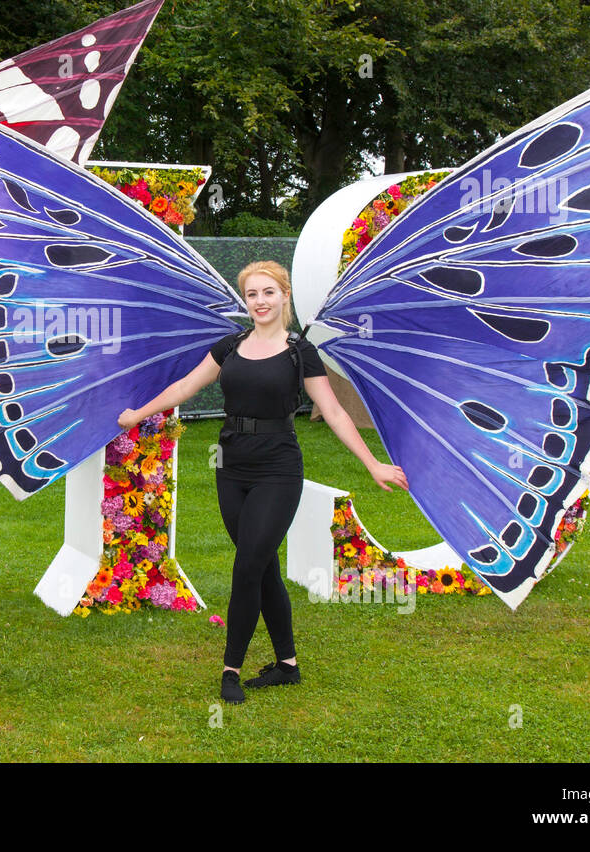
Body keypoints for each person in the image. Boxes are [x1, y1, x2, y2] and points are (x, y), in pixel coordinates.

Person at [118, 261, 407, 704]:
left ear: (284, 296)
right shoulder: (230, 346)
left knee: (248, 565)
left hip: (278, 468)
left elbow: (331, 410)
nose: (260, 301)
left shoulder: (299, 352)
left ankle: (230, 669)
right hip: (231, 467)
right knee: (262, 564)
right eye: (252, 294)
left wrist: (373, 464)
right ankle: (287, 665)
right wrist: (139, 414)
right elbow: (184, 388)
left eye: (268, 292)